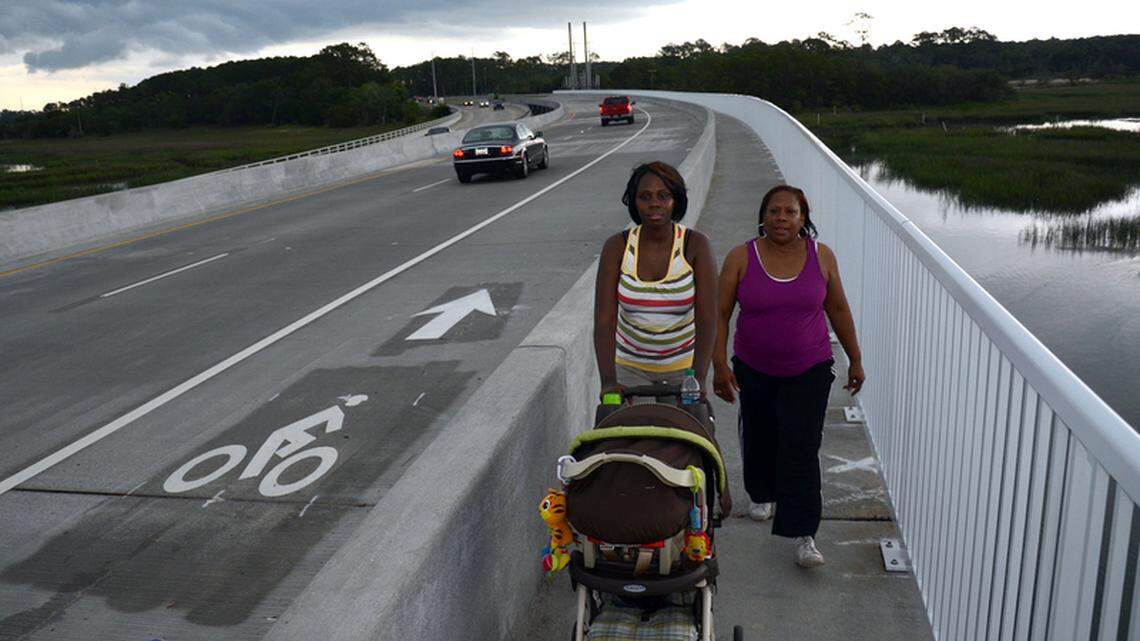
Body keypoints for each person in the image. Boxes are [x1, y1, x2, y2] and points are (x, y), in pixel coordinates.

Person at [712, 184, 865, 568]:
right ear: (763, 216)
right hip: (754, 366)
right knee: (761, 436)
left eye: (790, 212)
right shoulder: (741, 257)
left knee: (801, 447)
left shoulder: (821, 256)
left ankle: (804, 535)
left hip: (810, 369)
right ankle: (761, 493)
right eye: (774, 211)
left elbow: (840, 310)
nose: (782, 218)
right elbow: (720, 313)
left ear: (803, 218)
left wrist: (855, 359)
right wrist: (718, 364)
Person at [594, 161, 718, 396]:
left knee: (687, 431)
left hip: (685, 371)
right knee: (625, 431)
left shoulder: (696, 245)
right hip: (629, 370)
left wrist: (698, 377)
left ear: (676, 200)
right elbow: (604, 320)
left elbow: (708, 318)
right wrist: (608, 381)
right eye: (645, 196)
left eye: (664, 196)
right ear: (634, 202)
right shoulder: (616, 247)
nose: (654, 204)